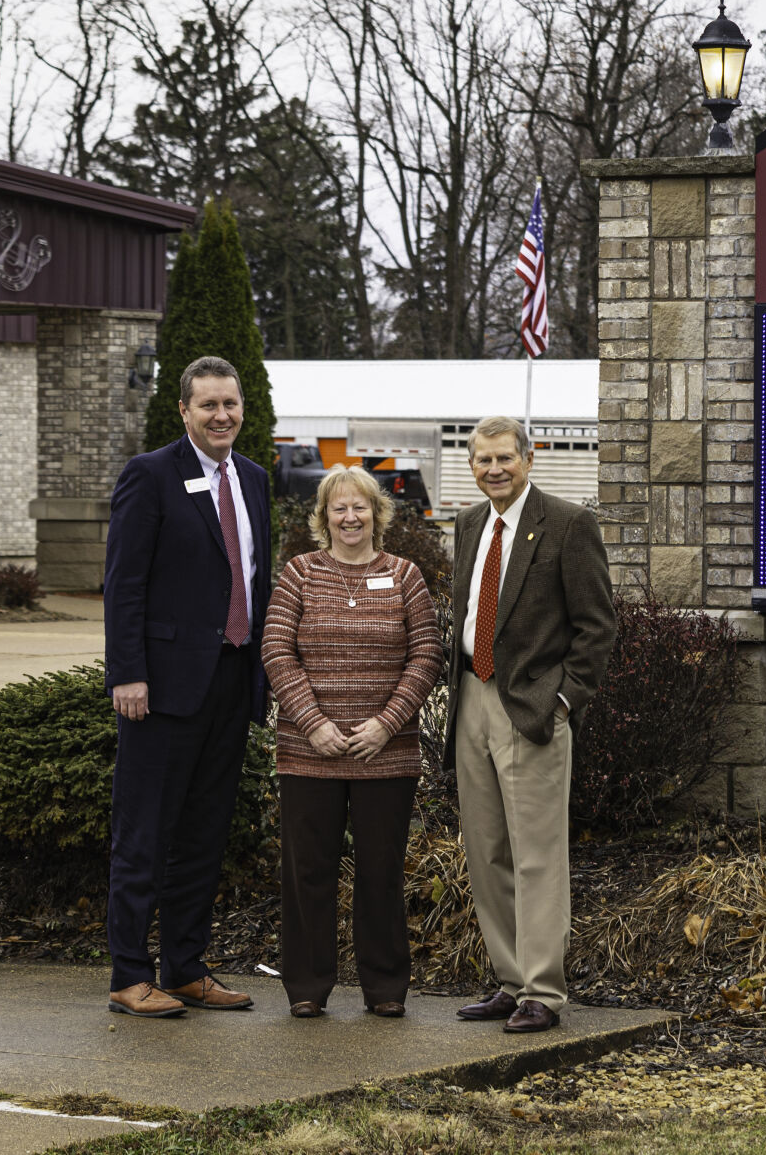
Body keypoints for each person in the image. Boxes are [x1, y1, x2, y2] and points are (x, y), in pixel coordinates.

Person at [102, 355, 270, 1018]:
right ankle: (128, 974)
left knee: (204, 832)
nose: (221, 415)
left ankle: (187, 966)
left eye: (230, 404)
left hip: (232, 680)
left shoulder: (254, 478)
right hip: (162, 686)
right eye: (208, 406)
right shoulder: (149, 475)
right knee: (144, 831)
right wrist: (128, 672)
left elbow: (254, 578)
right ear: (184, 410)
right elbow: (124, 583)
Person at [445, 415, 616, 1033]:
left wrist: (563, 701)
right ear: (472, 465)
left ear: (529, 457)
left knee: (538, 854)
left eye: (504, 459)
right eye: (482, 460)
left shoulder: (569, 525)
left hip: (532, 709)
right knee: (486, 849)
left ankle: (544, 990)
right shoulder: (467, 525)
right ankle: (509, 980)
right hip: (471, 697)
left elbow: (598, 626)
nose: (494, 469)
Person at [261, 466, 443, 1018]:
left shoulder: (405, 575)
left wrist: (386, 723)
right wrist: (313, 723)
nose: (350, 517)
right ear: (323, 518)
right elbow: (275, 649)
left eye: (359, 507)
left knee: (381, 872)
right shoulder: (298, 574)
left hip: (385, 755)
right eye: (338, 508)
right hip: (306, 752)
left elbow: (427, 654)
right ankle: (308, 988)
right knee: (307, 872)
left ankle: (385, 988)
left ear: (377, 514)